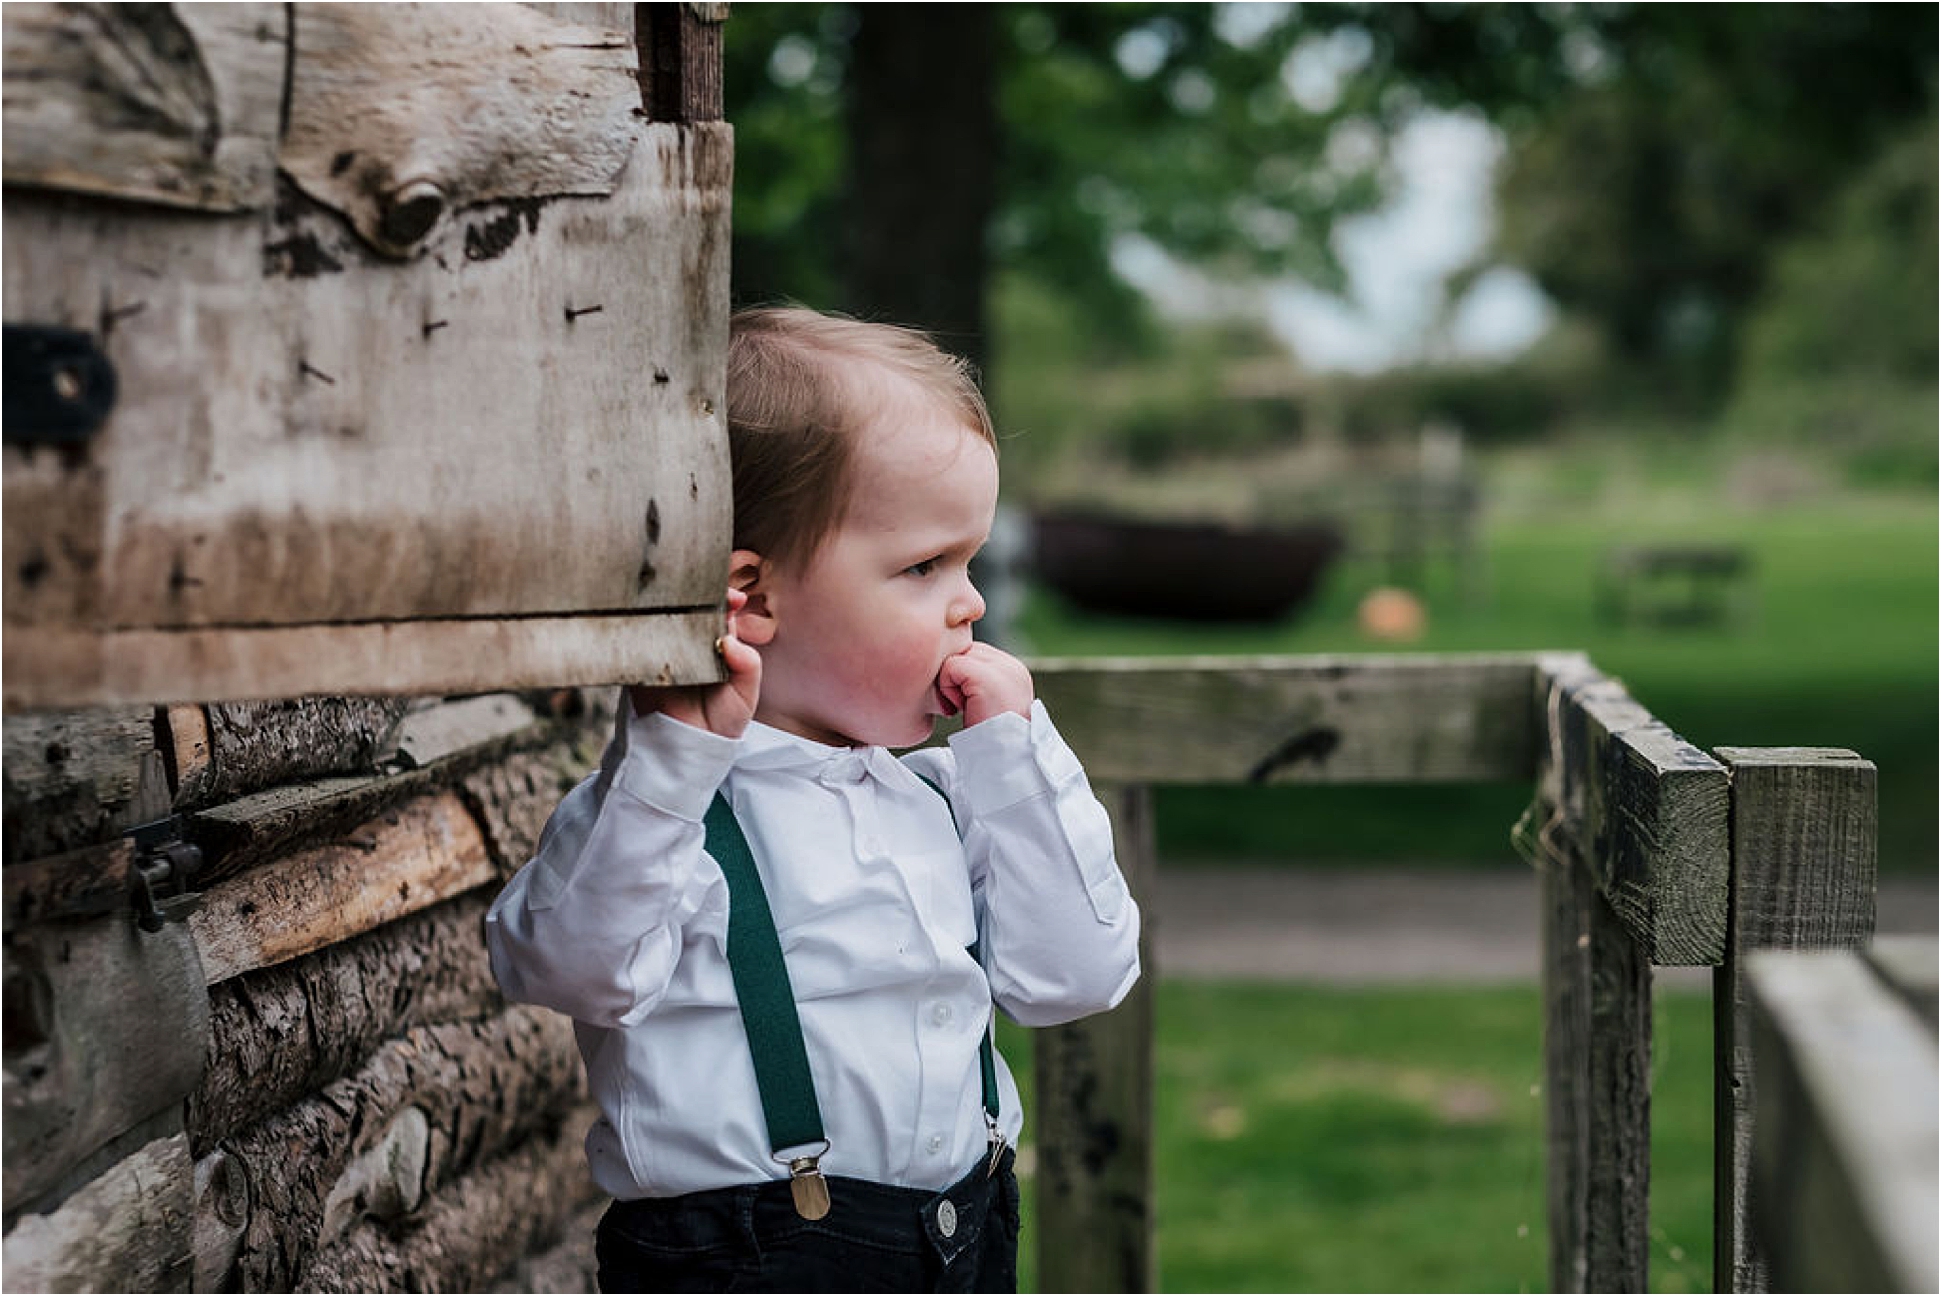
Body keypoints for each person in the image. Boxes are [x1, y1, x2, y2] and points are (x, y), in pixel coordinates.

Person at [486, 306, 1142, 1293]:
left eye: (969, 562)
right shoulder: (666, 808)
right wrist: (668, 765)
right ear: (751, 595)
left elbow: (1075, 978)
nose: (970, 604)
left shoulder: (953, 794)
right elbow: (567, 969)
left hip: (964, 1239)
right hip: (751, 1258)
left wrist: (1019, 757)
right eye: (924, 568)